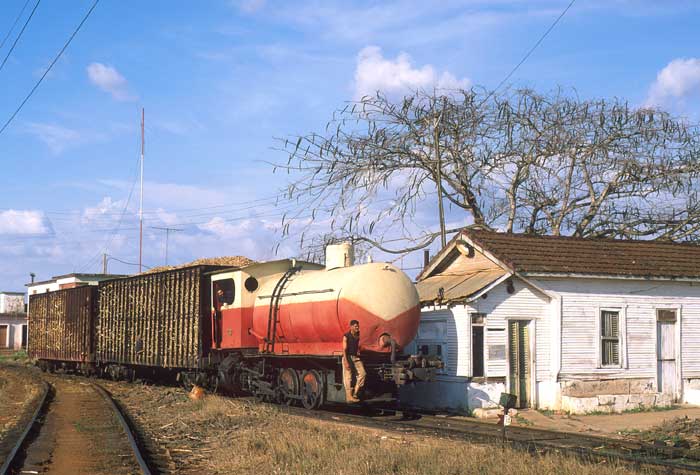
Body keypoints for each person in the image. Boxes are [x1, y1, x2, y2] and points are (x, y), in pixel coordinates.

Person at [342, 319, 366, 403]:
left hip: (355, 357)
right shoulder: (346, 336)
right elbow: (344, 350)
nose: (357, 328)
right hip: (347, 356)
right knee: (348, 377)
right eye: (355, 326)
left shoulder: (357, 335)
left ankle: (355, 393)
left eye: (358, 326)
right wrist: (345, 361)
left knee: (363, 373)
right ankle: (348, 397)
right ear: (351, 327)